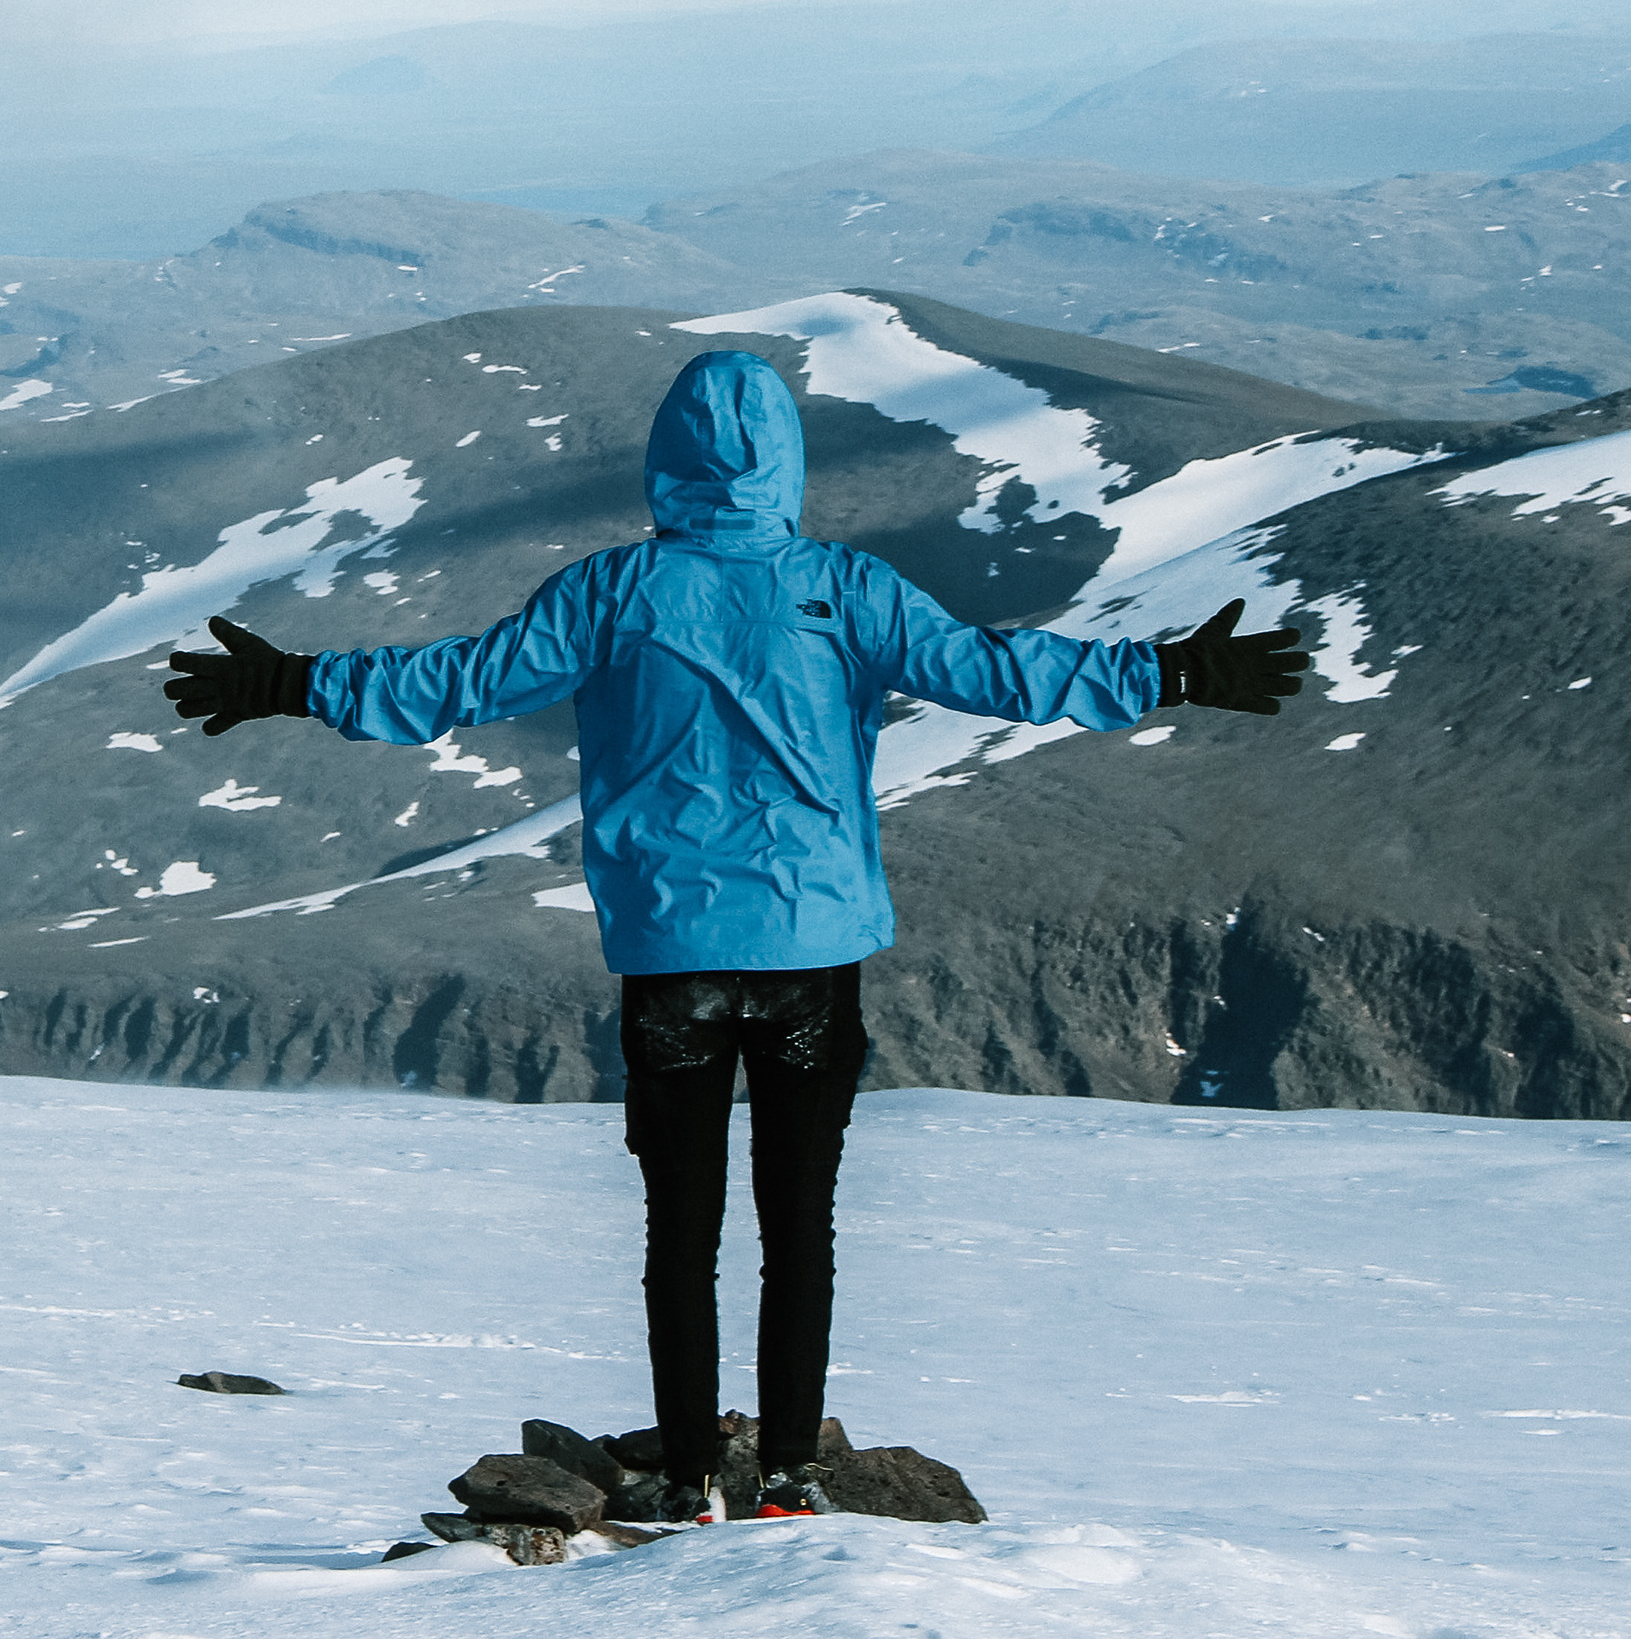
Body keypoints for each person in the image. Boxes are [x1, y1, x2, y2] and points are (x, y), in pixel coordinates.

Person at [163, 348, 1305, 1524]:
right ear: (786, 460)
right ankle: (792, 1476)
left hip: (672, 954)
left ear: (664, 458)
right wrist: (1172, 668)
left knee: (680, 1229)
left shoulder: (612, 591)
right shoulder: (845, 588)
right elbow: (998, 671)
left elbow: (458, 680)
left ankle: (686, 1473)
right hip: (811, 953)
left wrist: (289, 682)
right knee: (797, 1222)